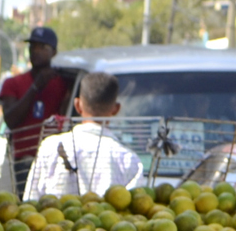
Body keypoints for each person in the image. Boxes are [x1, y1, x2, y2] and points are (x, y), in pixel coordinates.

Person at [21, 71, 145, 200]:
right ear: (116, 109)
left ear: (78, 105)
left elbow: (30, 202)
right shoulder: (128, 160)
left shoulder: (50, 147)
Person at [0, 26, 68, 198]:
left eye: (43, 47)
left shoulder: (64, 84)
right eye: (33, 46)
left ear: (54, 52)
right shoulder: (13, 83)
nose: (36, 51)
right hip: (25, 160)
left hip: (54, 162)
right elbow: (11, 119)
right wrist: (35, 87)